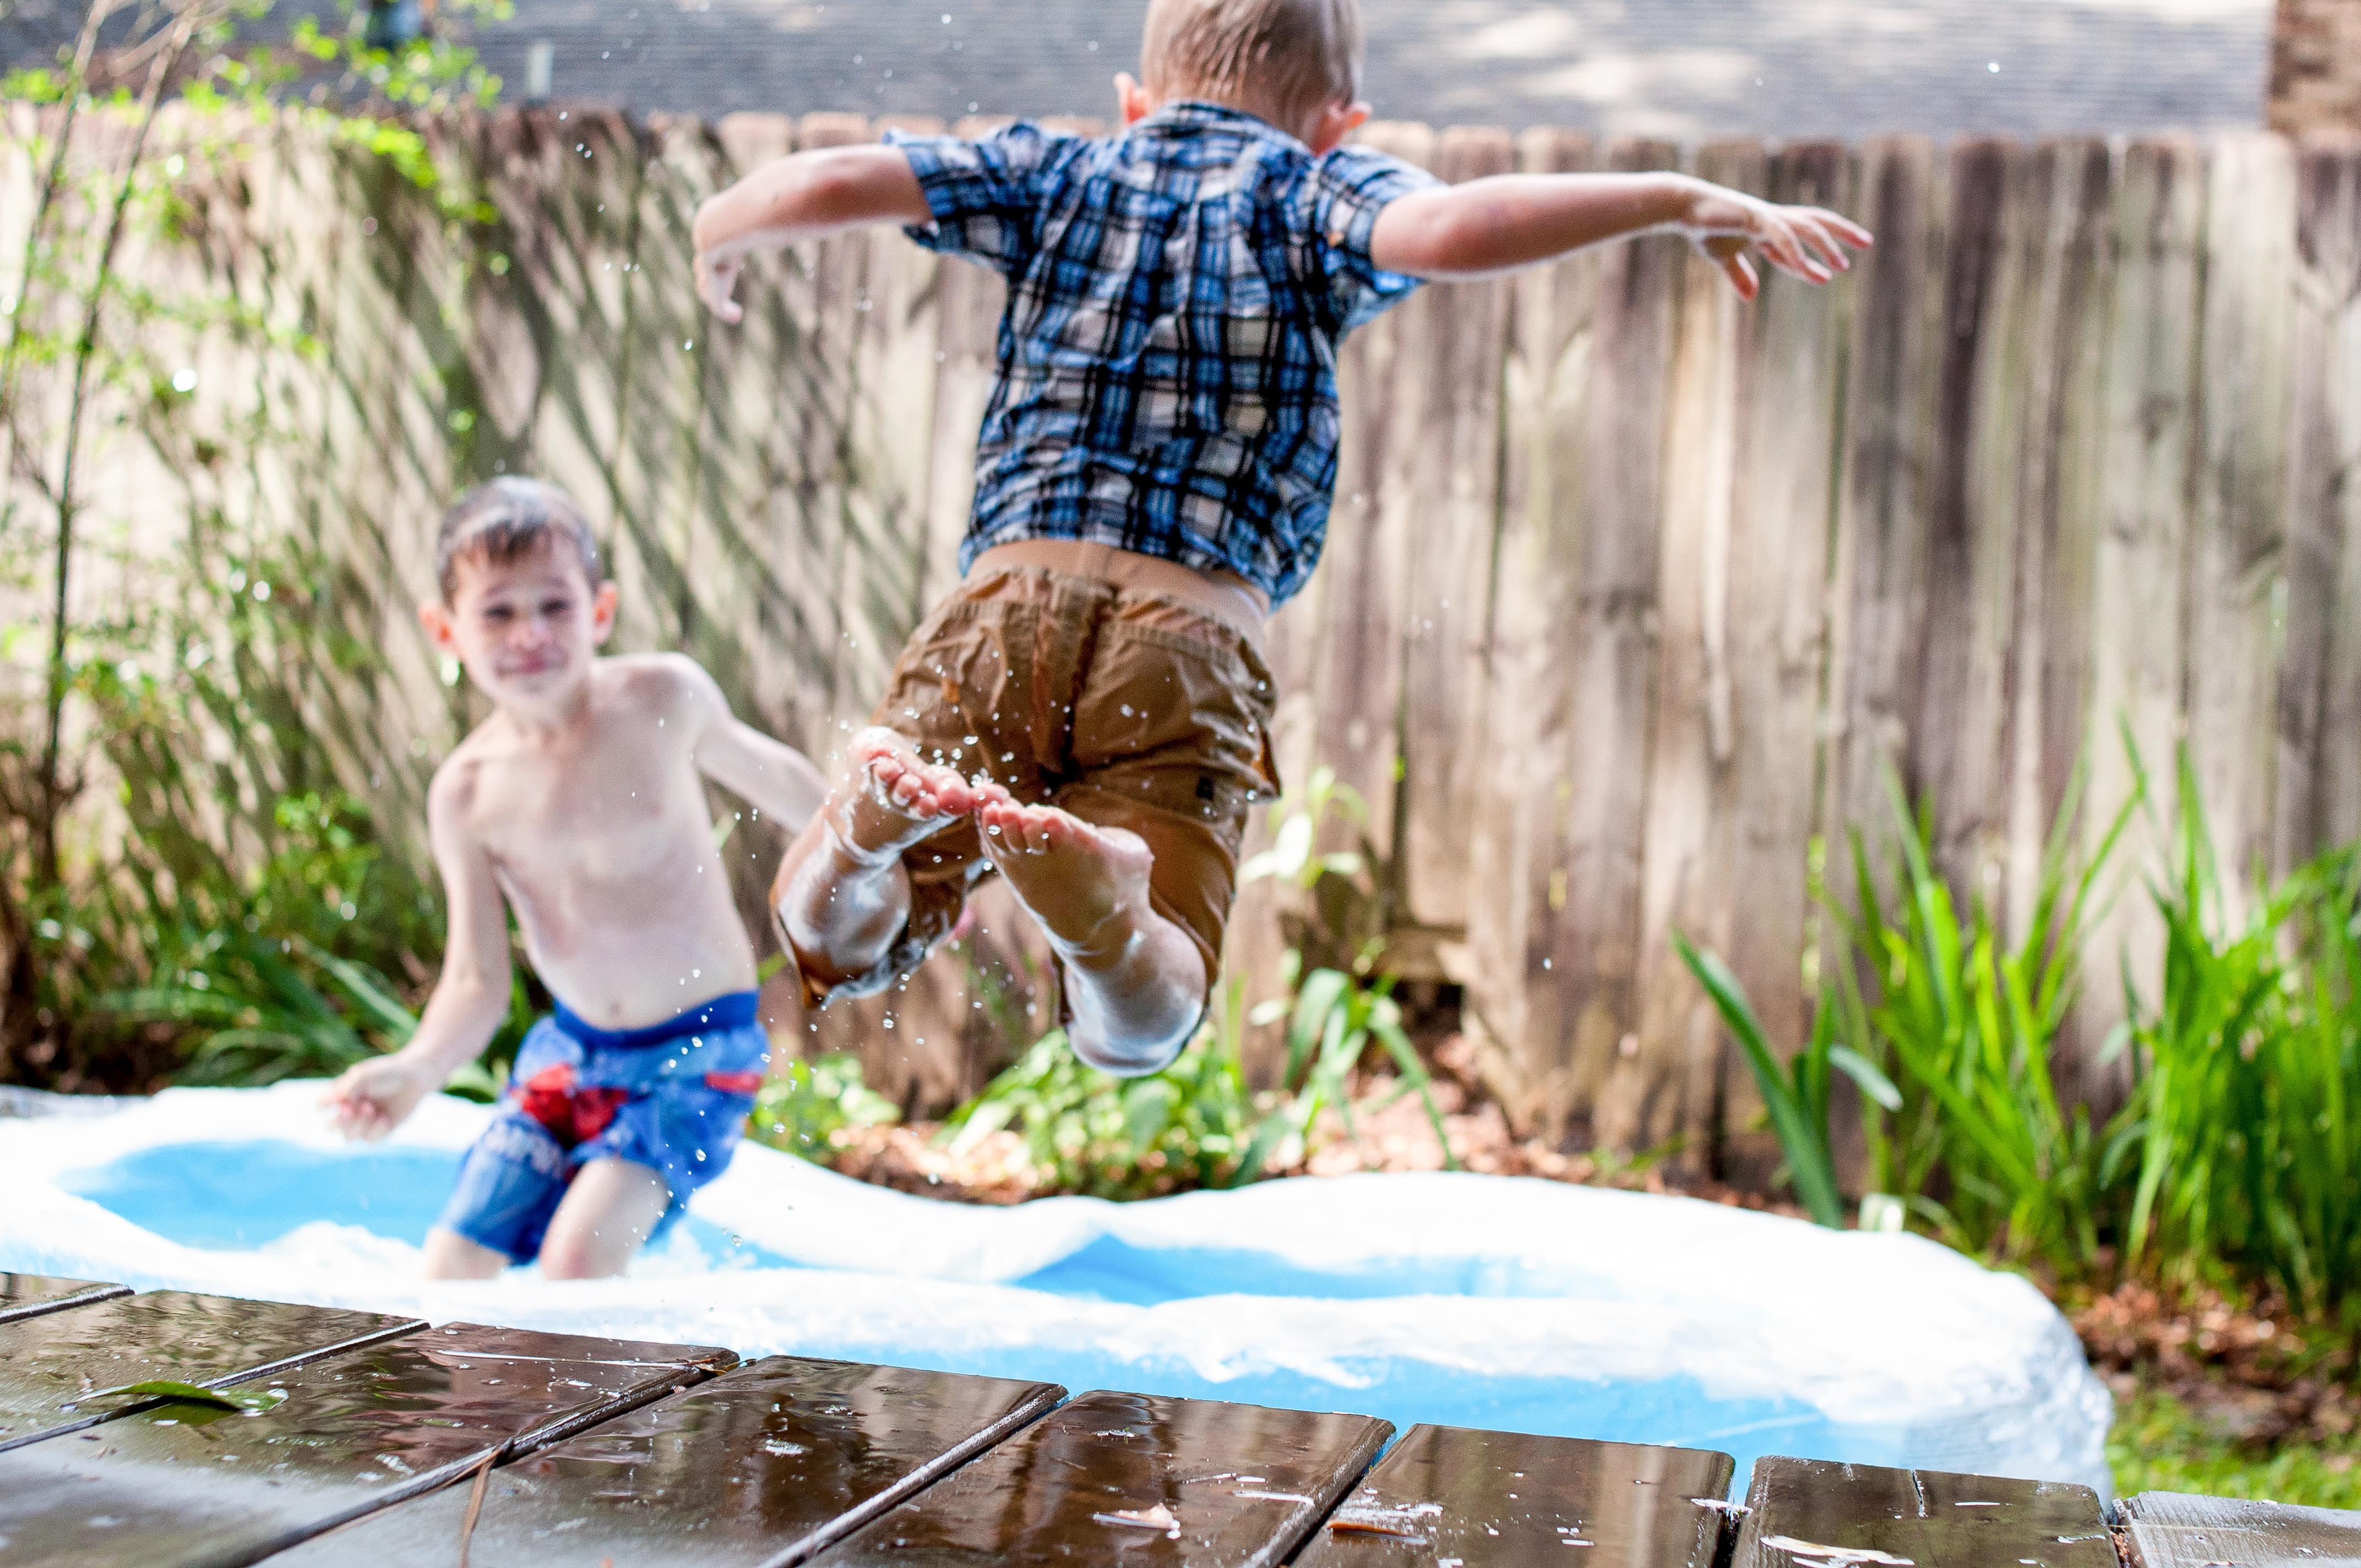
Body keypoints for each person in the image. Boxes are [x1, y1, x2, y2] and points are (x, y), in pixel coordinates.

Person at [688, 0, 1870, 1081]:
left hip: (1004, 604)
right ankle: (1103, 921)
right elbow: (1457, 227)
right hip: (1190, 637)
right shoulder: (1314, 192)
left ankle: (857, 834)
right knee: (1144, 1021)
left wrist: (721, 224)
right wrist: (1673, 197)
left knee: (836, 937)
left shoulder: (1054, 170)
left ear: (1134, 101)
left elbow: (844, 175)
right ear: (1337, 124)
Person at [320, 478, 828, 1280]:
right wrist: (416, 1070)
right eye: (497, 612)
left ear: (601, 610)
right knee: (448, 1271)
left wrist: (892, 863)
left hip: (699, 1046)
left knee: (576, 1263)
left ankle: (625, 1400)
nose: (529, 634)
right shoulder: (467, 792)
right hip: (571, 1055)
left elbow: (788, 786)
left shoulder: (661, 699)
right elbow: (477, 980)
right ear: (444, 629)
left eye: (554, 606)